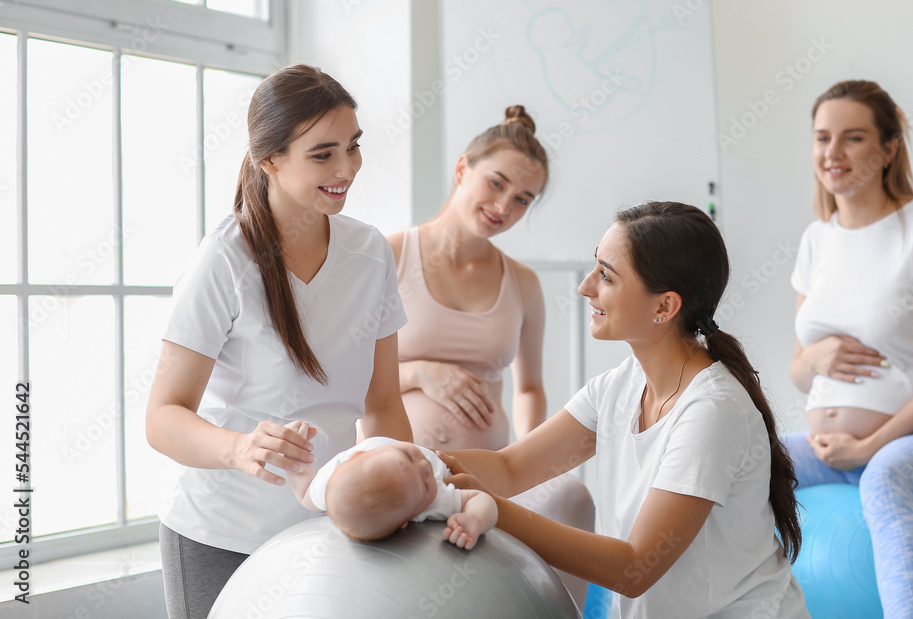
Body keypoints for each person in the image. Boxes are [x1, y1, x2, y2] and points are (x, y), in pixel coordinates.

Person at [440, 201, 809, 619]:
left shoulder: (713, 411)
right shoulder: (620, 386)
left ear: (664, 307)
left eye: (606, 276)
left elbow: (634, 568)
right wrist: (415, 462)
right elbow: (510, 469)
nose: (585, 287)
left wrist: (490, 509)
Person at [145, 64, 411, 619]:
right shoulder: (224, 259)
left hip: (327, 531)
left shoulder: (370, 253)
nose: (347, 168)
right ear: (270, 160)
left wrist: (401, 499)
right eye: (323, 154)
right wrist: (238, 448)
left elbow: (383, 403)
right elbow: (163, 417)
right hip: (220, 535)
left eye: (354, 147)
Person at [786, 80, 913, 618]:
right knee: (738, 463)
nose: (833, 153)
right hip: (831, 446)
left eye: (853, 138)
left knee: (886, 478)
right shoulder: (816, 240)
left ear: (888, 148)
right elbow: (799, 372)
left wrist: (871, 445)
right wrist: (817, 358)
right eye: (822, 137)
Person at [386, 105, 595, 605]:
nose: (505, 206)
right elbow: (340, 377)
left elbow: (528, 387)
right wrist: (421, 374)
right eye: (496, 184)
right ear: (463, 170)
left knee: (572, 497)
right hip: (403, 465)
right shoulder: (389, 255)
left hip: (489, 474)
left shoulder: (523, 283)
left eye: (523, 199)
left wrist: (520, 462)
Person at [283, 421, 497, 548]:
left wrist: (294, 453)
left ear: (357, 453)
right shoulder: (430, 502)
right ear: (406, 520)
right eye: (425, 484)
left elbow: (305, 493)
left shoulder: (331, 479)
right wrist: (475, 519)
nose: (425, 465)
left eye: (408, 455)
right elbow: (480, 497)